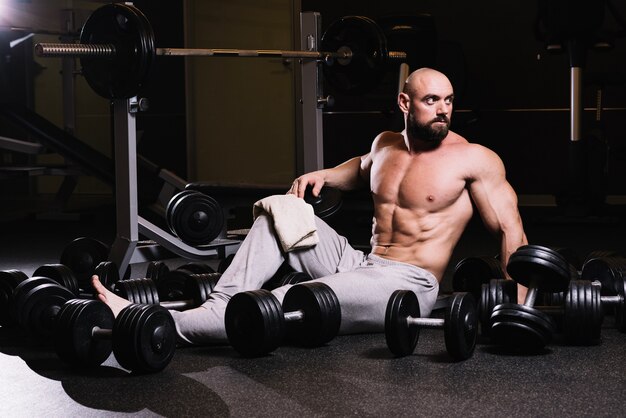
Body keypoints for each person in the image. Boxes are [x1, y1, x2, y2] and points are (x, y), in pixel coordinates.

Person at [92, 67, 528, 346]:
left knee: (280, 302)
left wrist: (519, 309)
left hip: (406, 284)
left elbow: (511, 230)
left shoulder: (473, 159)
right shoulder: (386, 145)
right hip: (359, 261)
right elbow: (361, 168)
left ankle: (148, 322)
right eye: (432, 101)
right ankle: (221, 303)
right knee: (284, 210)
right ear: (404, 103)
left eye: (448, 101)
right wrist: (324, 174)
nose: (443, 111)